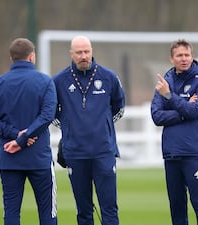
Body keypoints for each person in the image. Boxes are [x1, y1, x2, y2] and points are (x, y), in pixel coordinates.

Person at [0, 38, 58, 225]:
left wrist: (15, 135)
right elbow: (48, 115)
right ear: (32, 57)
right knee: (48, 213)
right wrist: (24, 137)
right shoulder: (45, 81)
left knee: (11, 213)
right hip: (39, 158)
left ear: (12, 58)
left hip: (9, 157)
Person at [52, 35, 125, 225]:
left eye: (86, 51)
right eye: (79, 52)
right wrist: (69, 128)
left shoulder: (109, 77)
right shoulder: (59, 80)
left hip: (103, 152)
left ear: (91, 51)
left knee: (109, 207)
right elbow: (51, 112)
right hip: (75, 154)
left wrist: (104, 127)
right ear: (71, 54)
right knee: (83, 210)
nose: (83, 56)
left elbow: (119, 107)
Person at [150, 39, 198, 225]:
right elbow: (157, 116)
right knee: (177, 208)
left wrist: (170, 97)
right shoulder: (165, 83)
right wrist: (184, 110)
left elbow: (195, 110)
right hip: (171, 155)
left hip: (194, 153)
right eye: (179, 55)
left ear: (192, 56)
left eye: (187, 55)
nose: (184, 59)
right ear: (172, 59)